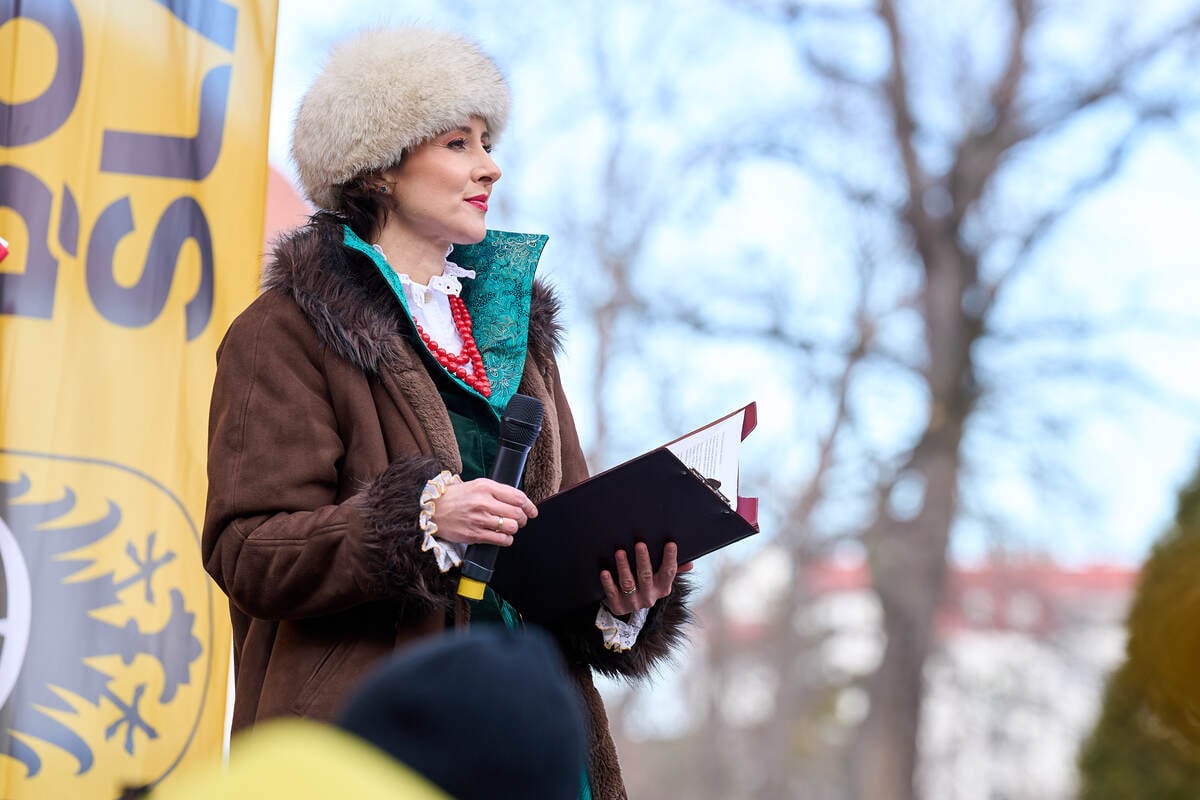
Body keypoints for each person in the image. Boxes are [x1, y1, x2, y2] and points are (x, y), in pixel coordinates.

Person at [202, 26, 693, 799]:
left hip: (530, 741)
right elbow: (248, 551)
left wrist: (618, 596)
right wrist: (420, 518)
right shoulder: (283, 332)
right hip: (367, 750)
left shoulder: (518, 338)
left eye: (487, 142)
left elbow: (559, 538)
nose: (489, 166)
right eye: (458, 143)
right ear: (379, 165)